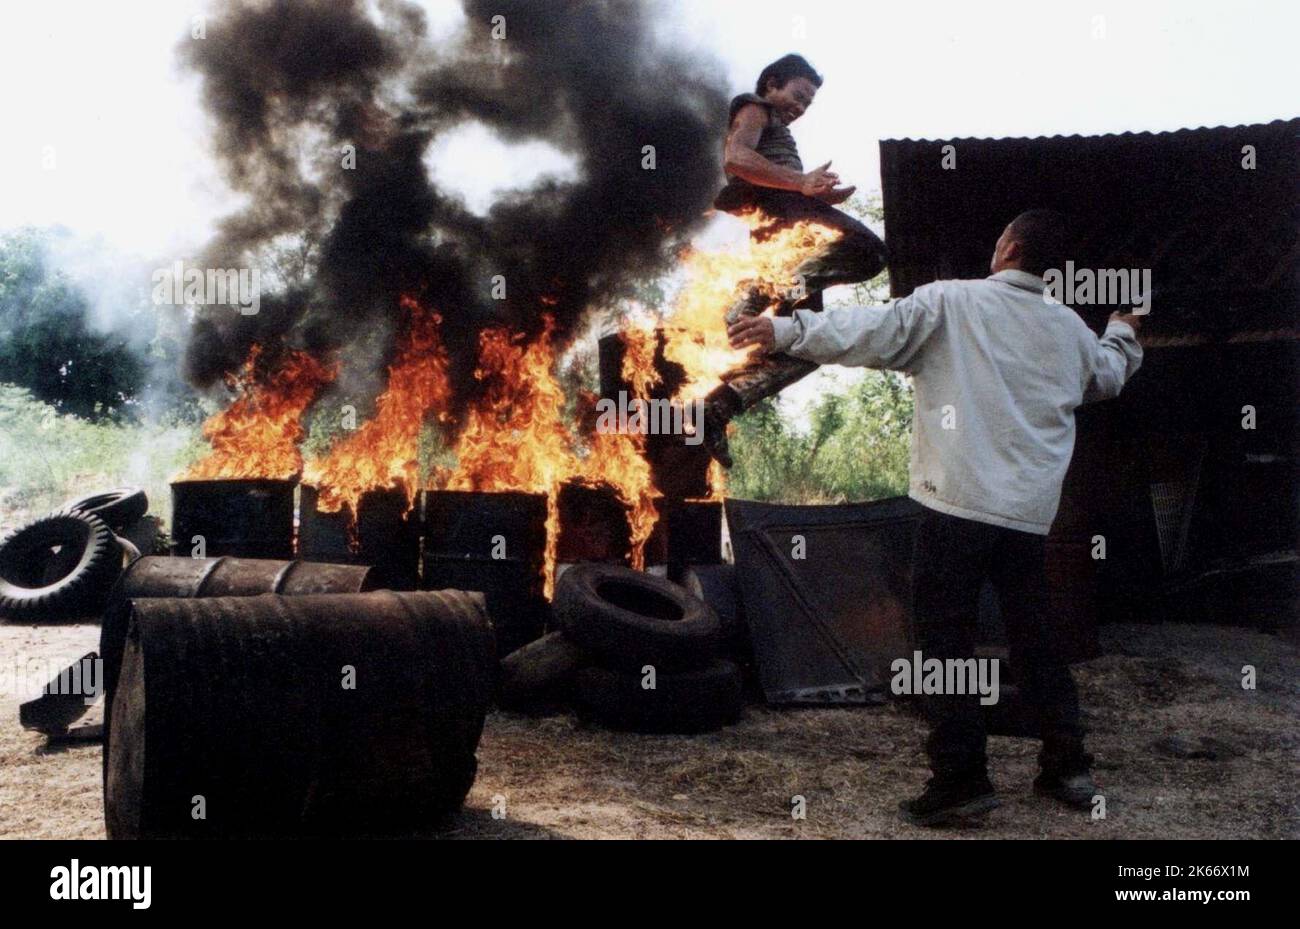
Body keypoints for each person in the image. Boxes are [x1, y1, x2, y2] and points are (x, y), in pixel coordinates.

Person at [727, 210, 1145, 827]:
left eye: (999, 237)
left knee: (943, 643)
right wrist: (1122, 329)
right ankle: (1068, 767)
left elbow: (868, 328)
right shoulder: (1067, 330)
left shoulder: (952, 303)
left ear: (1010, 248)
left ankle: (961, 777)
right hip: (1028, 515)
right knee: (1036, 640)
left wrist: (784, 330)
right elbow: (1107, 377)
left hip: (956, 506)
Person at [702, 53, 889, 467]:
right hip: (780, 219)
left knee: (807, 342)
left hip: (790, 230)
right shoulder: (755, 107)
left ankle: (718, 407)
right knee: (869, 251)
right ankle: (751, 296)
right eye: (798, 95)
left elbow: (777, 175)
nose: (800, 108)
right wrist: (803, 183)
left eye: (808, 104)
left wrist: (818, 193)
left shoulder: (778, 127)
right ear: (772, 83)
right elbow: (736, 159)